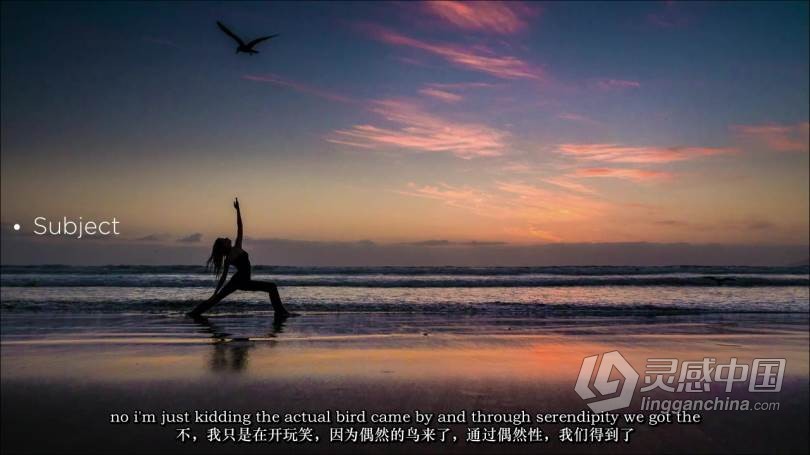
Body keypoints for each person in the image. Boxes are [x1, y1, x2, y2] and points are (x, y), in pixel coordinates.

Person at [188, 198, 289, 317]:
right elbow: (223, 277)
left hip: (240, 281)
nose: (226, 238)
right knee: (271, 287)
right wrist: (215, 292)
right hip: (242, 281)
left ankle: (194, 313)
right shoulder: (230, 257)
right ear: (223, 247)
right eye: (224, 240)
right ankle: (281, 313)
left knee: (217, 299)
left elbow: (240, 226)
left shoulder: (237, 247)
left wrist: (238, 210)